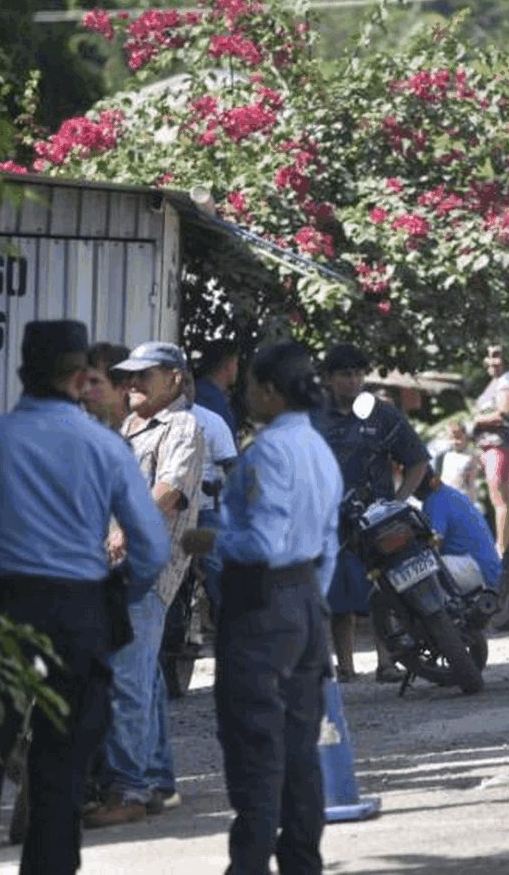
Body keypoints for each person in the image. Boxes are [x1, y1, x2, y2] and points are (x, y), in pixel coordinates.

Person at [0, 321, 169, 875]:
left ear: (23, 371)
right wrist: (117, 594)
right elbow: (153, 548)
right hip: (79, 613)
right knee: (61, 775)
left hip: (4, 608)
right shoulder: (106, 445)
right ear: (83, 376)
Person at [181, 340, 340, 875]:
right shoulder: (317, 447)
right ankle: (302, 863)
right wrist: (310, 599)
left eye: (251, 384)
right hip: (306, 601)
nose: (245, 394)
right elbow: (330, 541)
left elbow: (264, 543)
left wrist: (210, 540)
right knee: (300, 750)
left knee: (254, 747)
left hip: (263, 604)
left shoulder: (269, 451)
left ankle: (248, 865)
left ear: (270, 391)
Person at [87, 341, 204, 826]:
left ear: (174, 379)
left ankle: (129, 791)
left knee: (127, 680)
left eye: (144, 375)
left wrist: (123, 528)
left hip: (145, 570)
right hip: (114, 568)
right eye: (128, 376)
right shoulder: (129, 427)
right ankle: (156, 781)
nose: (132, 383)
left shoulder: (182, 426)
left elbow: (169, 490)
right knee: (144, 677)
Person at [313, 343, 429, 683]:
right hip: (330, 523)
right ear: (328, 378)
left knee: (384, 591)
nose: (353, 381)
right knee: (338, 597)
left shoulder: (382, 414)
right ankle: (345, 668)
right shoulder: (313, 417)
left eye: (358, 374)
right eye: (344, 375)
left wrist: (398, 503)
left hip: (378, 521)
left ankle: (387, 663)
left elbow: (418, 461)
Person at [183, 367, 238, 619]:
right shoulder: (153, 421)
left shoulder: (211, 421)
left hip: (206, 509)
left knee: (216, 568)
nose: (184, 389)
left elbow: (232, 469)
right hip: (169, 509)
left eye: (188, 382)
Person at [470, 344, 509, 556]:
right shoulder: (494, 382)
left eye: (497, 356)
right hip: (489, 447)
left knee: (500, 501)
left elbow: (503, 413)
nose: (492, 361)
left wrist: (476, 421)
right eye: (489, 356)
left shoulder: (508, 379)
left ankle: (502, 551)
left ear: (507, 358)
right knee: (494, 500)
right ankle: (502, 544)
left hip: (502, 445)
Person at [413, 469, 503, 592]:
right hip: (485, 568)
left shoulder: (434, 499)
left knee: (419, 569)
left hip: (478, 570)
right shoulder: (448, 493)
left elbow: (435, 540)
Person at [194, 338, 239, 436]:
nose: (237, 369)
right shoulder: (211, 399)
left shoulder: (199, 391)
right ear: (229, 364)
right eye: (236, 363)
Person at [82, 343, 131, 430]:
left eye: (94, 382)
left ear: (123, 387)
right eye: (82, 381)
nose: (84, 389)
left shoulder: (150, 433)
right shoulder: (85, 429)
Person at [437, 421, 480, 498]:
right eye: (451, 438)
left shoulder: (471, 456)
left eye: (458, 437)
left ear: (466, 437)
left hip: (463, 496)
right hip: (447, 495)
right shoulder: (447, 455)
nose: (455, 441)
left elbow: (471, 482)